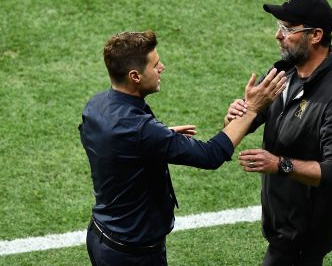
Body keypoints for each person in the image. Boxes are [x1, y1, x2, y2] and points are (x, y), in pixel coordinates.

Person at [78, 30, 286, 266]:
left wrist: (150, 144)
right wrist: (252, 109)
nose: (162, 68)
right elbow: (211, 155)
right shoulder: (141, 131)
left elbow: (98, 139)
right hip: (133, 255)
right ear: (135, 76)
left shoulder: (96, 105)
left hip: (100, 237)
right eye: (155, 64)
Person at [225, 0, 332, 265]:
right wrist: (243, 112)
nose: (278, 35)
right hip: (282, 223)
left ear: (316, 35)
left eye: (288, 29)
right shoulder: (283, 73)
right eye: (279, 26)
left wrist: (279, 164)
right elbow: (246, 120)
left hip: (306, 233)